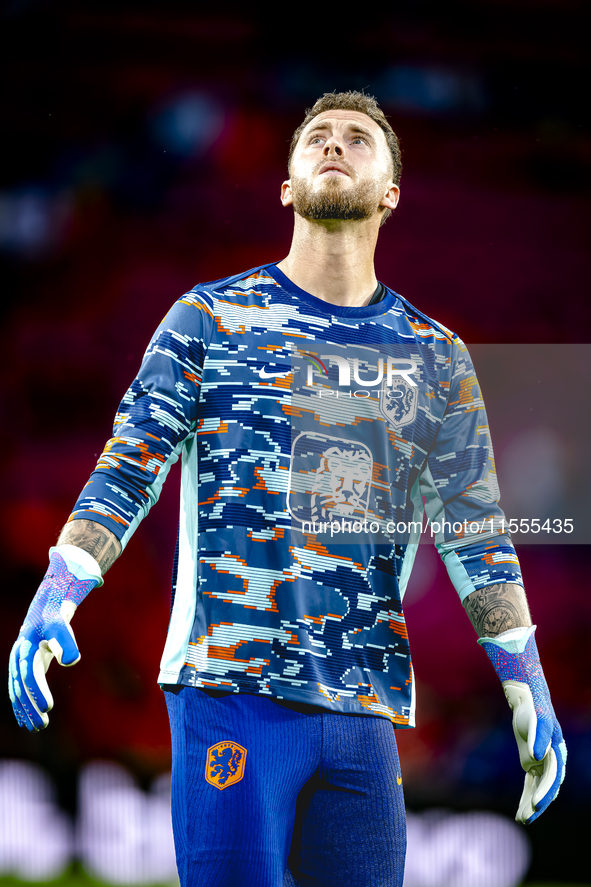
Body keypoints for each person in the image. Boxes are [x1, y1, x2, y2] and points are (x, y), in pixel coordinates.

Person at [9, 91, 566, 887]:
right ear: (286, 184)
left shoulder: (435, 356)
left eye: (358, 139)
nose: (334, 146)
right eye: (317, 138)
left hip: (366, 711)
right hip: (228, 688)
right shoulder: (207, 318)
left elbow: (475, 535)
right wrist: (60, 587)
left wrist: (526, 681)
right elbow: (130, 462)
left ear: (390, 194)